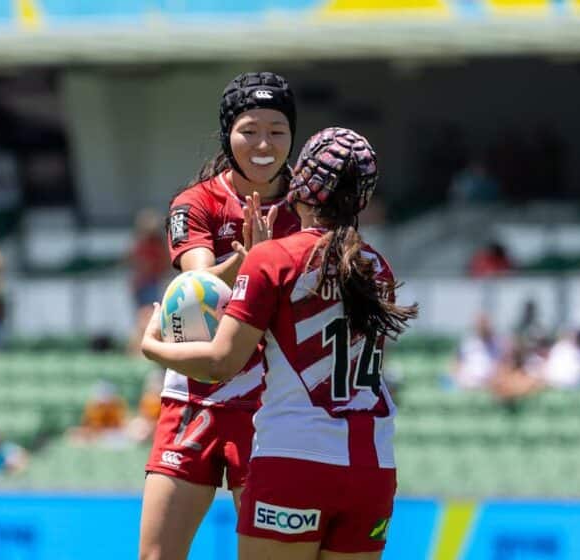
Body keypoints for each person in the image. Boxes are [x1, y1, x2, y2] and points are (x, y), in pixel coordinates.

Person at [143, 127, 418, 559]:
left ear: (302, 184)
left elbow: (219, 364)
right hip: (373, 468)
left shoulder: (273, 259)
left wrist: (153, 345)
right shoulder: (376, 266)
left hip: (295, 461)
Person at [139, 71, 300, 560]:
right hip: (194, 399)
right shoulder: (196, 202)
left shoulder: (311, 206)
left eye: (277, 130)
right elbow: (196, 288)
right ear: (228, 133)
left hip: (272, 407)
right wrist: (251, 258)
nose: (263, 143)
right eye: (250, 130)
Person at [127, 208, 168, 334]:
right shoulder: (142, 244)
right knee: (146, 316)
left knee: (147, 316)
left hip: (152, 283)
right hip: (146, 284)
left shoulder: (155, 245)